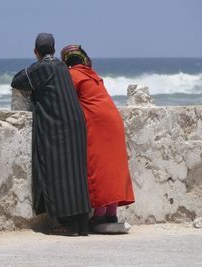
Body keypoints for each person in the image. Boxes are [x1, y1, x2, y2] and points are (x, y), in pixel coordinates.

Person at [11, 33, 91, 236]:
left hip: (57, 127)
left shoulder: (41, 68)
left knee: (58, 173)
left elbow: (18, 81)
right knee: (76, 173)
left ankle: (67, 224)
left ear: (35, 52)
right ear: (54, 50)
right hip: (76, 123)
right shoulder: (63, 67)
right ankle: (81, 223)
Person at [60, 45, 135, 228]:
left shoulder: (72, 75)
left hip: (97, 122)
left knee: (99, 166)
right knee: (113, 167)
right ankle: (111, 215)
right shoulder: (93, 75)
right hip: (114, 120)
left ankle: (100, 216)